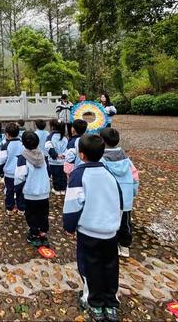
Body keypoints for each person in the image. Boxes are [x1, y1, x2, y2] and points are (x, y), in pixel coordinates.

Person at [63, 134, 123, 322]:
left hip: (88, 231)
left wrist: (69, 226)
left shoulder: (78, 175)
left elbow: (72, 205)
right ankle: (110, 302)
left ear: (81, 154)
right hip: (110, 231)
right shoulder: (109, 173)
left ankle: (95, 303)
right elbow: (119, 202)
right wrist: (116, 225)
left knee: (90, 266)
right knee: (110, 266)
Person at [100, 127, 139, 258]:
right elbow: (135, 178)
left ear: (102, 141)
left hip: (109, 199)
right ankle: (125, 246)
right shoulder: (127, 161)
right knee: (125, 223)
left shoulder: (101, 160)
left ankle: (113, 245)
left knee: (110, 222)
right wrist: (133, 192)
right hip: (126, 199)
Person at [15, 131, 50, 247]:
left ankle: (34, 233)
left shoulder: (23, 157)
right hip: (44, 191)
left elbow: (20, 176)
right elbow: (48, 171)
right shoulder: (42, 155)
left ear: (23, 143)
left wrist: (17, 189)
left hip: (30, 191)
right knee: (43, 213)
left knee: (31, 214)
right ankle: (43, 233)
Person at [0, 122, 24, 215]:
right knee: (20, 191)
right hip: (21, 172)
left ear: (7, 134)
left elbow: (1, 160)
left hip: (9, 173)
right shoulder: (22, 144)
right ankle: (21, 208)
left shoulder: (5, 145)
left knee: (9, 191)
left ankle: (10, 208)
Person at [45, 120, 68, 195]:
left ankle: (57, 189)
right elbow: (68, 148)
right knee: (63, 175)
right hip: (63, 160)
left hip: (53, 161)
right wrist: (64, 155)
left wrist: (56, 155)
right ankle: (63, 189)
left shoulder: (50, 137)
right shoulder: (64, 138)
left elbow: (48, 147)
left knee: (55, 176)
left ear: (52, 127)